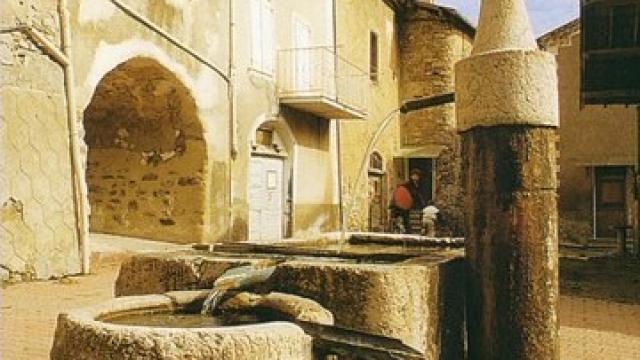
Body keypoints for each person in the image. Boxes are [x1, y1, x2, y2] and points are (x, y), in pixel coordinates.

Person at [390, 168, 428, 233]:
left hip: (409, 205)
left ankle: (408, 231)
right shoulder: (407, 184)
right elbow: (401, 191)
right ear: (411, 176)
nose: (415, 177)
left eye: (417, 176)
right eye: (414, 175)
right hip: (401, 205)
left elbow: (418, 195)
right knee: (402, 218)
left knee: (406, 218)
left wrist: (423, 204)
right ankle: (405, 231)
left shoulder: (419, 185)